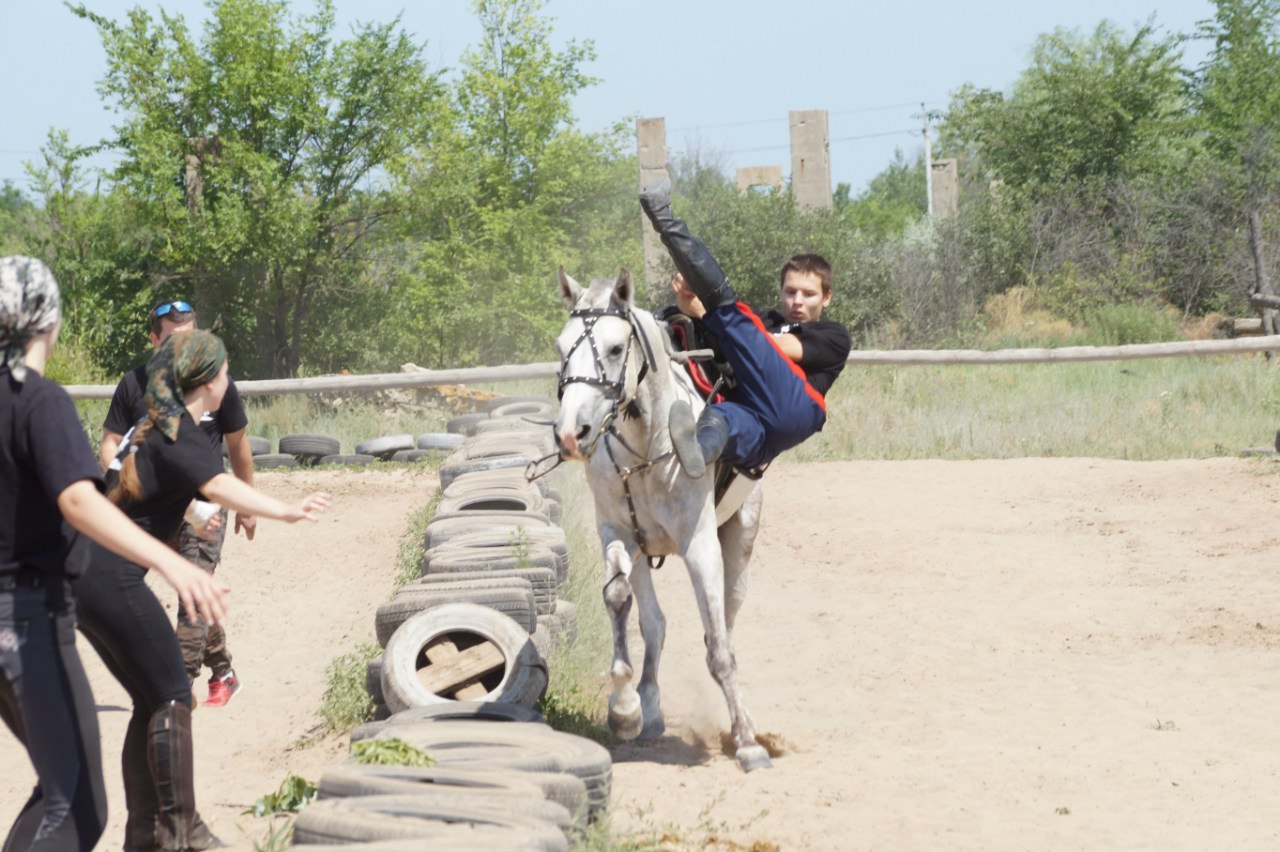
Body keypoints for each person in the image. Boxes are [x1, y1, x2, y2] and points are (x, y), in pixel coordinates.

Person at [1, 256, 229, 851]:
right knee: (74, 802)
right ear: (49, 322)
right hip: (24, 620)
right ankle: (177, 834)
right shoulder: (35, 400)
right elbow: (79, 501)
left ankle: (154, 837)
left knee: (58, 792)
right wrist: (175, 562)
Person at [76, 328, 332, 851]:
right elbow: (218, 484)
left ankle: (145, 835)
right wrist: (285, 510)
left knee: (152, 698)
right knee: (172, 689)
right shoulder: (182, 434)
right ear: (211, 380)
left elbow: (151, 489)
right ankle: (182, 829)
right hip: (109, 579)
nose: (229, 378)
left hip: (86, 577)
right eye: (227, 370)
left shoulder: (155, 427)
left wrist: (191, 509)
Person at [639, 177, 852, 478]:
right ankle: (697, 452)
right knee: (721, 420)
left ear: (826, 298)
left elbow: (770, 349)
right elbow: (734, 344)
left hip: (796, 407)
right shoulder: (767, 321)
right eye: (790, 292)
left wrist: (708, 311)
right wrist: (692, 310)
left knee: (729, 314)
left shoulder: (834, 335)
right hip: (762, 432)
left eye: (808, 294)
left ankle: (662, 215)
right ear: (780, 292)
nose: (797, 301)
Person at [100, 300, 255, 708]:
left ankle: (176, 692)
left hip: (204, 509)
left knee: (191, 597)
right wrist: (120, 488)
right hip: (155, 508)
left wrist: (248, 505)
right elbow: (110, 444)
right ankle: (223, 669)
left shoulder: (215, 385)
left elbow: (239, 446)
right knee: (193, 589)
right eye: (172, 340)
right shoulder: (134, 384)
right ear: (154, 341)